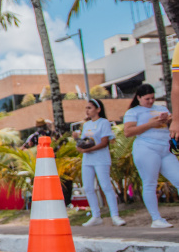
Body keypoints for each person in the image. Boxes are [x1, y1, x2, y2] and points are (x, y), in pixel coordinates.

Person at [123, 83, 179, 228]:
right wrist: (150, 124)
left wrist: (169, 120)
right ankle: (156, 218)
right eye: (147, 99)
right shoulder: (133, 112)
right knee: (149, 182)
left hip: (165, 149)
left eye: (152, 98)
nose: (150, 101)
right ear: (139, 97)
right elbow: (128, 132)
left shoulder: (161, 108)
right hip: (146, 148)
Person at [74, 98, 125, 227]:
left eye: (90, 108)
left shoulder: (104, 123)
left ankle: (115, 215)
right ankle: (96, 216)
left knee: (106, 186)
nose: (87, 110)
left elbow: (104, 142)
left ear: (98, 109)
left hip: (101, 159)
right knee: (88, 188)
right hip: (88, 160)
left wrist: (89, 149)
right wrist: (79, 145)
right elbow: (85, 140)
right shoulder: (86, 125)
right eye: (86, 108)